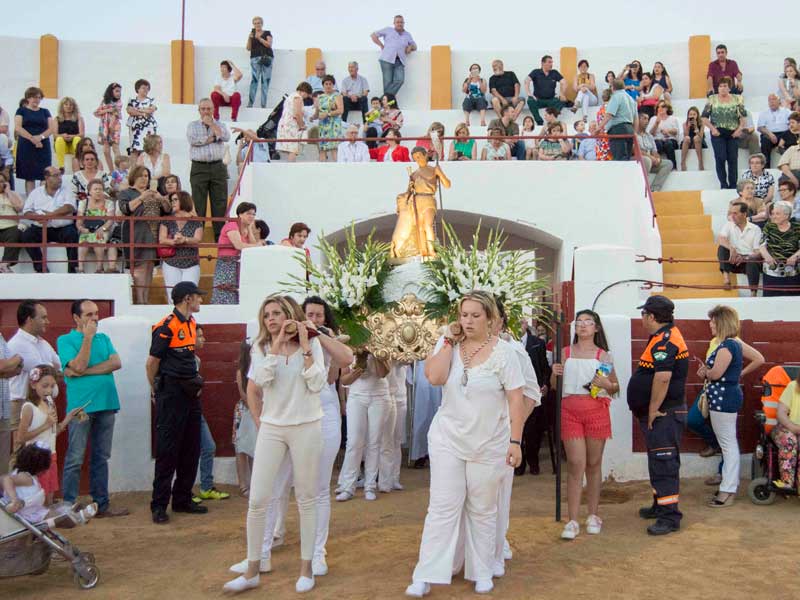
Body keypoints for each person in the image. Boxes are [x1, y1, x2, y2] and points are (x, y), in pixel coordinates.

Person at [405, 292, 524, 597]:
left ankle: (482, 570)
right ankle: (426, 573)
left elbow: (515, 399)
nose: (468, 321)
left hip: (490, 442)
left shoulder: (505, 353)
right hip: (448, 438)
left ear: (490, 319)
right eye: (463, 315)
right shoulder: (449, 346)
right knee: (442, 507)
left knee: (483, 508)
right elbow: (433, 377)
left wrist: (516, 441)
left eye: (475, 316)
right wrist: (446, 340)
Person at [223, 295, 326, 594]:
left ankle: (307, 568)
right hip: (272, 428)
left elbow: (317, 383)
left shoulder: (313, 344)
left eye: (277, 313)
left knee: (306, 497)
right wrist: (277, 347)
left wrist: (305, 347)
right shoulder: (261, 348)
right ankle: (254, 568)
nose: (271, 318)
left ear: (289, 315)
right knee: (257, 500)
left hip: (307, 426)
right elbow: (262, 382)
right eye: (267, 314)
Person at [551, 310, 618, 539]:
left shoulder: (603, 356)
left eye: (588, 322)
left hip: (596, 410)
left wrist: (606, 383)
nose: (583, 326)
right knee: (575, 463)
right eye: (579, 322)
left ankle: (592, 514)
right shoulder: (565, 352)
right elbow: (554, 385)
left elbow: (614, 386)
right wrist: (554, 373)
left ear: (596, 328)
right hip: (570, 410)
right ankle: (572, 520)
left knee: (593, 463)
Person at [57, 299, 128, 517]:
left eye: (96, 314)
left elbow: (116, 363)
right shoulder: (66, 340)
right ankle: (67, 505)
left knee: (101, 456)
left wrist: (83, 372)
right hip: (81, 408)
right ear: (76, 318)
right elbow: (77, 364)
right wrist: (87, 338)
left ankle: (101, 504)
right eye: (89, 315)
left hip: (107, 403)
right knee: (75, 456)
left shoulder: (104, 338)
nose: (95, 318)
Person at [147, 282, 208, 524]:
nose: (200, 301)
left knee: (191, 448)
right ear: (186, 299)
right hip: (171, 393)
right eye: (197, 297)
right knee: (168, 450)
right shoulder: (166, 326)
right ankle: (159, 504)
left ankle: (182, 498)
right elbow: (152, 363)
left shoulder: (191, 323)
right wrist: (156, 390)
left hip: (189, 393)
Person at [627, 295, 688, 536]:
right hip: (662, 413)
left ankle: (669, 517)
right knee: (658, 460)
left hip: (664, 413)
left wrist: (652, 410)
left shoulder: (665, 341)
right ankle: (659, 505)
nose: (642, 317)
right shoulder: (662, 337)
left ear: (652, 317)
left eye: (644, 314)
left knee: (664, 462)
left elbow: (663, 377)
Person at [15, 365, 76, 504]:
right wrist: (45, 425)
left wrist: (68, 418)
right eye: (45, 386)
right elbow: (20, 438)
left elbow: (53, 432)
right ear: (33, 384)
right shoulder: (28, 407)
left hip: (51, 456)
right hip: (35, 458)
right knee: (38, 497)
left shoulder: (50, 403)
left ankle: (47, 522)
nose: (49, 390)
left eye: (52, 386)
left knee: (49, 497)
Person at [7, 301, 62, 457]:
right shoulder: (17, 344)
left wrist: (52, 371)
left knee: (41, 450)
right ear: (29, 320)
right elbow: (45, 372)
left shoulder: (42, 343)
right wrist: (53, 372)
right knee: (21, 453)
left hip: (43, 402)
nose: (47, 321)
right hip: (22, 403)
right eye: (43, 317)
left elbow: (58, 367)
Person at [336, 351, 391, 502]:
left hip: (379, 397)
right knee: (354, 442)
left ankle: (370, 486)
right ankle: (348, 487)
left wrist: (374, 354)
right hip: (356, 397)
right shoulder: (351, 346)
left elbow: (383, 373)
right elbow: (344, 380)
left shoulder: (381, 344)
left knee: (374, 442)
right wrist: (358, 368)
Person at [2, 444, 98, 527]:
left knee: (53, 512)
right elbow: (6, 479)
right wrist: (14, 500)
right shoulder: (25, 477)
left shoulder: (28, 476)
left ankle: (71, 513)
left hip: (33, 512)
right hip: (27, 516)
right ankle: (76, 516)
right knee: (53, 516)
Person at [187, 324, 230, 503]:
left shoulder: (196, 360)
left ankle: (205, 487)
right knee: (186, 451)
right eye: (199, 336)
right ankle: (185, 490)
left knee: (208, 447)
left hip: (195, 409)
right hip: (183, 410)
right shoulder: (179, 359)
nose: (203, 339)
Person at [118, 166, 171, 304]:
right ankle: (140, 300)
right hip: (136, 233)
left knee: (149, 267)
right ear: (134, 177)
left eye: (146, 176)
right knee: (140, 267)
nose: (144, 178)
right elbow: (126, 209)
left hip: (153, 233)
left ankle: (145, 299)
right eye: (141, 175)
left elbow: (167, 210)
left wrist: (161, 198)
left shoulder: (155, 193)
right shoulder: (127, 193)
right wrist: (142, 197)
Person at [390, 148, 450, 259]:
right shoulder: (413, 174)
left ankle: (431, 250)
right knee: (420, 228)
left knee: (428, 225)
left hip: (428, 200)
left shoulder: (434, 169)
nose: (418, 159)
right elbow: (408, 192)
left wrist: (440, 173)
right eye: (415, 158)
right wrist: (410, 189)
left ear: (425, 155)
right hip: (417, 201)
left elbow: (447, 184)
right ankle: (423, 250)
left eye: (419, 156)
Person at [20, 167, 79, 273]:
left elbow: (69, 207)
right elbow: (27, 211)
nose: (60, 178)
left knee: (72, 235)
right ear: (47, 177)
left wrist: (50, 215)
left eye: (60, 175)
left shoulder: (67, 190)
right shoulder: (36, 192)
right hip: (41, 227)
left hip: (63, 227)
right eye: (56, 175)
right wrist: (37, 217)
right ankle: (41, 269)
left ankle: (72, 270)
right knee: (27, 236)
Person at [187, 98, 231, 241]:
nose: (206, 111)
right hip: (199, 166)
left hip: (218, 166)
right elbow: (194, 141)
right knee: (198, 203)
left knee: (220, 203)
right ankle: (196, 238)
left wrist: (212, 125)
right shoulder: (192, 125)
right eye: (203, 109)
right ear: (199, 110)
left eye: (209, 109)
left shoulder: (220, 124)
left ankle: (220, 239)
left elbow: (225, 136)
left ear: (213, 110)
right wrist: (212, 138)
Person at [515, 318, 551, 476]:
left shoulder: (537, 343)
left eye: (521, 323)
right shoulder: (505, 344)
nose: (518, 327)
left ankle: (533, 461)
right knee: (517, 429)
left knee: (532, 430)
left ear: (526, 325)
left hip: (533, 392)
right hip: (515, 392)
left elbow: (544, 367)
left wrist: (545, 384)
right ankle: (519, 463)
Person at [211, 202, 264, 305]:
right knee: (225, 291)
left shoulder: (246, 228)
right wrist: (257, 245)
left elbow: (252, 245)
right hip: (227, 264)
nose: (252, 216)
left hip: (238, 264)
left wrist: (249, 228)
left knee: (237, 292)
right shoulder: (232, 225)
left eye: (253, 214)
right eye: (248, 213)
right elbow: (239, 245)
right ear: (240, 214)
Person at [702, 77, 747, 190]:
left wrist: (739, 129)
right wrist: (712, 129)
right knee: (720, 157)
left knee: (733, 158)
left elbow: (743, 117)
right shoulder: (712, 99)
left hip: (733, 133)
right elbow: (704, 117)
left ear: (729, 88)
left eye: (725, 86)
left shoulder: (737, 99)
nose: (722, 88)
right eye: (720, 86)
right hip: (718, 132)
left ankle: (733, 184)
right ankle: (723, 183)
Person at [159, 191, 203, 294]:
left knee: (190, 294)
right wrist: (174, 241)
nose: (172, 202)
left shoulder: (196, 221)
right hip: (171, 262)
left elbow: (198, 239)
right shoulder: (167, 220)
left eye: (175, 200)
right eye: (171, 200)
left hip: (191, 263)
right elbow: (162, 239)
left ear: (183, 201)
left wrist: (185, 240)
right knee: (173, 294)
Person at [15, 87, 54, 195]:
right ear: (28, 98)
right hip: (27, 144)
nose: (36, 99)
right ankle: (30, 202)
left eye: (38, 97)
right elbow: (18, 127)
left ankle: (42, 200)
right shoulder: (21, 110)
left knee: (43, 174)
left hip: (43, 144)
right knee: (29, 175)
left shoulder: (45, 111)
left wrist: (40, 138)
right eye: (33, 97)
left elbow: (51, 128)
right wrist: (33, 139)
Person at [717, 202, 762, 295]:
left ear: (744, 214)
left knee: (752, 261)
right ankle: (726, 279)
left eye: (735, 213)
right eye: (731, 213)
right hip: (733, 259)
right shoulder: (729, 225)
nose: (732, 216)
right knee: (722, 248)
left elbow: (758, 252)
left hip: (747, 262)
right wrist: (732, 249)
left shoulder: (755, 229)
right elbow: (721, 238)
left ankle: (753, 293)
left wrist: (744, 258)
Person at [759, 201, 800, 296]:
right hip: (771, 271)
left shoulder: (797, 227)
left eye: (777, 213)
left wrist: (795, 256)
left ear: (786, 215)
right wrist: (767, 256)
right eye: (773, 213)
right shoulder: (769, 226)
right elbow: (761, 245)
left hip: (792, 272)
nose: (773, 216)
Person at [76, 179, 116, 273]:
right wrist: (81, 228)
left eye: (100, 189)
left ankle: (99, 267)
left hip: (102, 229)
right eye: (95, 189)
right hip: (87, 229)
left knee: (98, 239)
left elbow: (110, 220)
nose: (98, 191)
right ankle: (81, 268)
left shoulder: (108, 203)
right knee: (84, 241)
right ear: (89, 191)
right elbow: (79, 221)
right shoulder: (83, 203)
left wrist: (103, 228)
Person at [233, 340, 256, 497]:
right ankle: (243, 485)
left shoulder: (257, 369)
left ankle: (253, 483)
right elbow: (243, 394)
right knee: (241, 448)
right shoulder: (241, 371)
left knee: (255, 448)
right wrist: (255, 409)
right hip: (246, 411)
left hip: (254, 410)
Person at [371, 15, 416, 96]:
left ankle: (383, 101)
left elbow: (415, 46)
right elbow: (373, 35)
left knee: (400, 80)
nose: (399, 24)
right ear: (394, 23)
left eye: (401, 22)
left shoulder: (407, 34)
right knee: (387, 83)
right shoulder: (388, 30)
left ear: (404, 23)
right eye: (397, 22)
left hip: (399, 61)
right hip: (386, 60)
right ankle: (388, 104)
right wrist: (381, 45)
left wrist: (410, 47)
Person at [770, 369, 800, 489]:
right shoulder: (793, 386)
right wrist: (793, 427)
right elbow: (781, 413)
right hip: (787, 427)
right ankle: (787, 482)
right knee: (789, 440)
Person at [0, 334, 23, 475]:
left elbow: (17, 369)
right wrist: (17, 359)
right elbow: (4, 365)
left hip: (4, 410)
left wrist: (13, 362)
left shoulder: (0, 337)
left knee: (3, 465)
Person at [599, 79, 637, 161]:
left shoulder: (616, 96)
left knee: (619, 159)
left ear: (612, 87)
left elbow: (609, 114)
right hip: (630, 129)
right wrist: (635, 133)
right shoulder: (631, 99)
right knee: (626, 159)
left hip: (618, 130)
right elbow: (636, 119)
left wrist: (598, 128)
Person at [276, 82, 313, 162]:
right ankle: (291, 167)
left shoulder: (291, 96)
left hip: (285, 123)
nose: (306, 98)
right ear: (305, 91)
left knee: (289, 148)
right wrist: (301, 126)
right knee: (293, 149)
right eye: (307, 95)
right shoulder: (298, 98)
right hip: (291, 125)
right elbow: (297, 113)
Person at [526, 55, 566, 127]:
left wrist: (562, 93)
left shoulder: (554, 72)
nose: (551, 64)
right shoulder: (536, 72)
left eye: (552, 62)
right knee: (530, 100)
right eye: (549, 62)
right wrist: (529, 93)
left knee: (562, 101)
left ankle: (551, 120)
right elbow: (527, 80)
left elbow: (564, 82)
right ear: (543, 63)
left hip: (551, 100)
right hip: (538, 100)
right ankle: (539, 121)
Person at [636, 112, 673, 192]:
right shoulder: (634, 134)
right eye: (644, 118)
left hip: (651, 160)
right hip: (639, 160)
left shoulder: (649, 136)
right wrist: (650, 157)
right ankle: (641, 189)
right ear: (638, 120)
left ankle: (654, 189)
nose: (647, 121)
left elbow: (654, 151)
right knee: (647, 160)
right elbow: (636, 150)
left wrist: (657, 159)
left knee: (668, 163)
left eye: (648, 119)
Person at [94, 83, 123, 172]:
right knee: (106, 151)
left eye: (120, 92)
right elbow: (96, 112)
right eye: (117, 91)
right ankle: (111, 170)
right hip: (104, 127)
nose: (119, 93)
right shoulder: (104, 102)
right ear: (111, 91)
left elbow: (115, 114)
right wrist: (107, 110)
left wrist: (111, 127)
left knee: (115, 148)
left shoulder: (119, 102)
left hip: (114, 127)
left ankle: (119, 169)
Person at [247, 16, 274, 109]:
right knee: (254, 81)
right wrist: (250, 38)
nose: (257, 25)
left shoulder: (267, 33)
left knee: (265, 82)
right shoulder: (252, 34)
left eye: (258, 23)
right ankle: (250, 104)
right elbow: (248, 48)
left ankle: (263, 105)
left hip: (266, 58)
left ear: (262, 23)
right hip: (255, 58)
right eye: (255, 23)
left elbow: (269, 44)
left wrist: (259, 38)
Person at [126, 79, 158, 156]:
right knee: (135, 150)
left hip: (148, 127)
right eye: (143, 88)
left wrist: (138, 109)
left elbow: (151, 110)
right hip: (135, 127)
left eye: (147, 88)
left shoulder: (151, 100)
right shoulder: (132, 100)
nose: (146, 90)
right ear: (138, 89)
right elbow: (130, 110)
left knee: (148, 149)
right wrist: (143, 113)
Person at [316, 75, 344, 162]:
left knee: (334, 148)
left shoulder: (337, 96)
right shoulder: (320, 97)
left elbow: (341, 110)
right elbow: (317, 111)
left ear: (333, 85)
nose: (328, 86)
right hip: (322, 125)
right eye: (326, 84)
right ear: (323, 85)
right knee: (322, 149)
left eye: (330, 84)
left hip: (333, 125)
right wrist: (313, 117)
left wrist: (328, 114)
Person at [54, 97, 85, 172]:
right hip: (62, 146)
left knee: (77, 139)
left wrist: (72, 136)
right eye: (66, 104)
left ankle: (80, 164)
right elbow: (55, 135)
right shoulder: (57, 119)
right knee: (59, 139)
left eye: (71, 105)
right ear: (62, 106)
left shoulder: (79, 118)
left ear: (74, 107)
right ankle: (61, 167)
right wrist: (62, 136)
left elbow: (82, 134)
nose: (68, 106)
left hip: (74, 146)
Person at [0, 173, 23, 272]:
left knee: (15, 231)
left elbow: (19, 208)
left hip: (10, 228)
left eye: (1, 181)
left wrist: (8, 192)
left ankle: (4, 264)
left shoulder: (14, 194)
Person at [647, 101, 680, 166]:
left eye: (663, 106)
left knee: (668, 143)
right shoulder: (653, 119)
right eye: (658, 107)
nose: (660, 108)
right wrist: (656, 124)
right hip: (658, 140)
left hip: (670, 139)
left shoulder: (673, 118)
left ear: (667, 108)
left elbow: (676, 131)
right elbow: (650, 134)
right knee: (658, 144)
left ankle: (673, 165)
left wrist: (668, 131)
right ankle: (657, 164)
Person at [680, 106, 706, 171]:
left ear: (697, 115)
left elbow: (701, 136)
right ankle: (683, 162)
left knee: (696, 138)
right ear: (688, 115)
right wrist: (688, 127)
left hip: (699, 141)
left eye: (694, 114)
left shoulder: (701, 123)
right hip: (688, 142)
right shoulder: (684, 124)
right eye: (690, 114)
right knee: (687, 138)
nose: (692, 116)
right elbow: (685, 135)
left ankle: (700, 162)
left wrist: (696, 127)